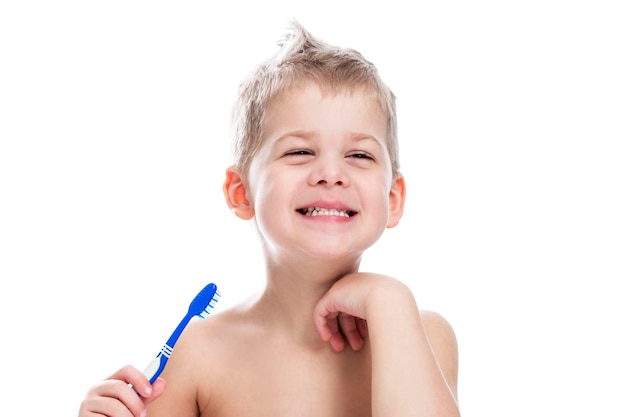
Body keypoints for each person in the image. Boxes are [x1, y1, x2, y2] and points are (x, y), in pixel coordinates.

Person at [78, 20, 460, 417]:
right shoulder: (200, 354)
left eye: (359, 155)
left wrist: (388, 299)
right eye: (299, 152)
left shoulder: (422, 335)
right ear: (241, 191)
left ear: (393, 198)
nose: (331, 173)